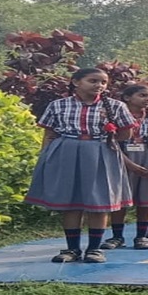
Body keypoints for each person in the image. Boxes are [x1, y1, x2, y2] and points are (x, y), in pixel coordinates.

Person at [24, 68, 136, 264]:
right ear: (76, 82)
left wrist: (105, 138)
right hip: (66, 151)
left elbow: (126, 134)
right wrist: (46, 158)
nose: (99, 85)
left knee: (99, 202)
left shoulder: (116, 106)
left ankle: (94, 249)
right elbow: (49, 134)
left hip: (101, 152)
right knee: (71, 202)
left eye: (103, 82)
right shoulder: (58, 105)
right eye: (93, 81)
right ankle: (72, 249)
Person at [107, 84, 148, 251]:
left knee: (147, 199)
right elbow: (111, 142)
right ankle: (117, 236)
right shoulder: (113, 115)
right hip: (121, 156)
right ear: (127, 97)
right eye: (142, 95)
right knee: (119, 198)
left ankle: (141, 236)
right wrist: (129, 164)